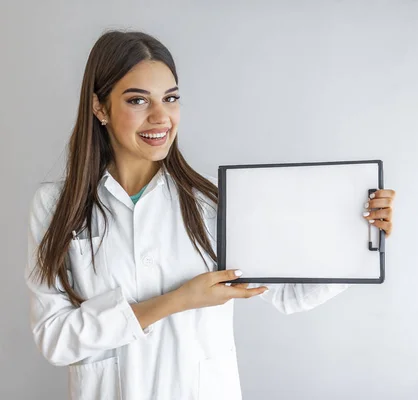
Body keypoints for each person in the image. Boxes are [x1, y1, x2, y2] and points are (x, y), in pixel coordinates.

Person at [25, 30, 396, 400]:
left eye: (170, 99)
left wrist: (359, 232)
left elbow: (291, 295)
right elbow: (55, 338)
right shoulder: (57, 206)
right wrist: (177, 300)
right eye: (138, 100)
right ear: (99, 107)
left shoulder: (212, 204)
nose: (160, 117)